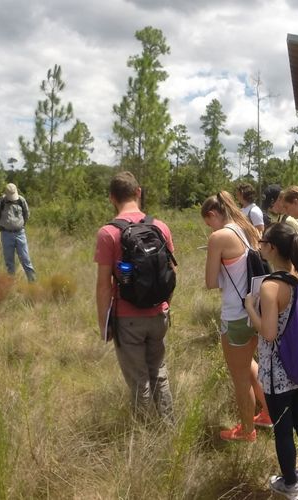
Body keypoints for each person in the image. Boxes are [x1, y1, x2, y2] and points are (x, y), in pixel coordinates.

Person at [244, 223, 298, 499]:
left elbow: (267, 332)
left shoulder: (270, 286)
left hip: (278, 369)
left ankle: (290, 485)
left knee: (283, 428)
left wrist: (250, 308)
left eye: (262, 241)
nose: (259, 245)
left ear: (272, 248)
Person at [94, 172, 174, 420]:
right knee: (158, 372)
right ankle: (168, 426)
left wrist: (104, 324)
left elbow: (104, 285)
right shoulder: (159, 227)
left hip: (127, 317)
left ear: (111, 198)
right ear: (138, 192)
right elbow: (171, 274)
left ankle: (145, 432)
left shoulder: (108, 233)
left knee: (139, 379)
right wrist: (164, 306)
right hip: (158, 313)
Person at [202, 191, 271, 441]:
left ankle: (247, 431)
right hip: (257, 310)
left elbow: (210, 282)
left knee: (240, 377)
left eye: (208, 222)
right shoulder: (249, 229)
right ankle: (268, 414)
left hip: (235, 314)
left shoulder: (218, 237)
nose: (210, 227)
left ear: (213, 215)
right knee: (250, 365)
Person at [0, 183, 37, 282]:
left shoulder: (21, 200)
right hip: (6, 235)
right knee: (9, 262)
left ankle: (33, 283)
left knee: (26, 260)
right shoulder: (0, 203)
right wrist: (2, 228)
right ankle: (11, 285)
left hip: (20, 234)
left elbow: (27, 214)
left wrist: (20, 225)